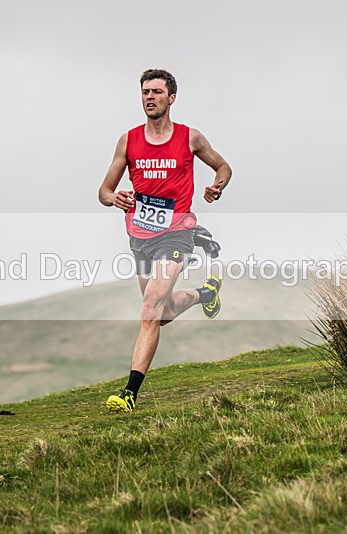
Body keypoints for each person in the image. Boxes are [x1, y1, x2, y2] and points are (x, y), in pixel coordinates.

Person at [98, 69, 232, 413]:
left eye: (157, 92)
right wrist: (115, 198)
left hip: (176, 233)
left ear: (171, 98)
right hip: (140, 237)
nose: (150, 97)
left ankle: (129, 393)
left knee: (148, 310)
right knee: (161, 313)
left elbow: (223, 167)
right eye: (145, 92)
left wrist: (216, 187)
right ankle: (206, 294)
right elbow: (104, 191)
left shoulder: (190, 138)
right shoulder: (128, 141)